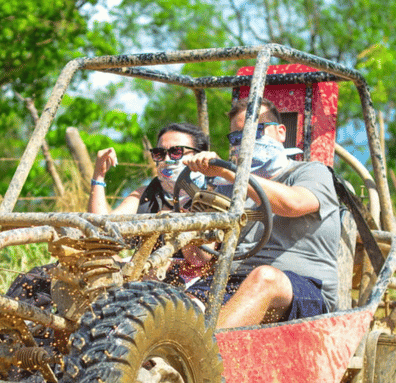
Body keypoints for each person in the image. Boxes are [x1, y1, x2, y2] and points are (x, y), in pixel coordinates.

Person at [183, 97, 340, 330]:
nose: (246, 142)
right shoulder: (227, 187)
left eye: (256, 131)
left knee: (264, 278)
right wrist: (195, 204)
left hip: (304, 290)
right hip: (231, 284)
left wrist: (230, 173)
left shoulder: (311, 172)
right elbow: (200, 258)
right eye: (238, 137)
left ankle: (201, 359)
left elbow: (292, 203)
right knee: (179, 308)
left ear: (281, 132)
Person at [88, 122, 214, 285]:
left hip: (193, 287)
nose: (166, 160)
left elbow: (200, 260)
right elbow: (101, 231)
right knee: (93, 254)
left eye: (176, 152)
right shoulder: (146, 193)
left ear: (198, 155)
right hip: (144, 280)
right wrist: (99, 176)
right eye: (160, 153)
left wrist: (183, 223)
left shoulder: (211, 195)